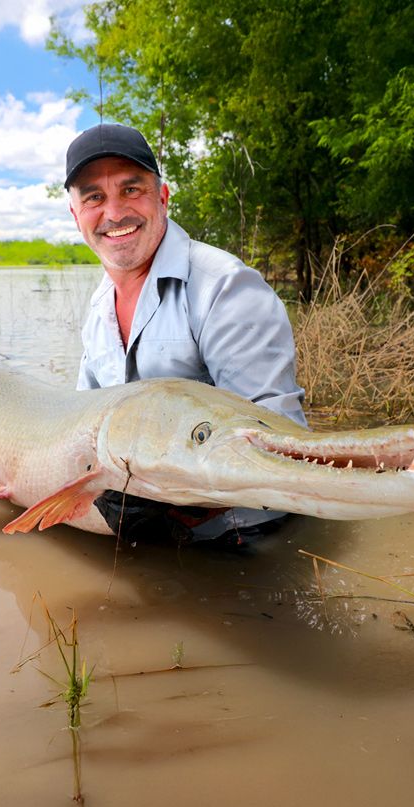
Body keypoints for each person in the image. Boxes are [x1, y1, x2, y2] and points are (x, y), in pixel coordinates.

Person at [62, 122, 308, 547]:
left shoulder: (225, 286)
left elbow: (278, 439)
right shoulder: (97, 308)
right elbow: (79, 424)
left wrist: (169, 494)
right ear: (76, 215)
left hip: (243, 537)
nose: (115, 212)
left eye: (131, 189)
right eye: (94, 198)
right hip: (148, 537)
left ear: (163, 196)